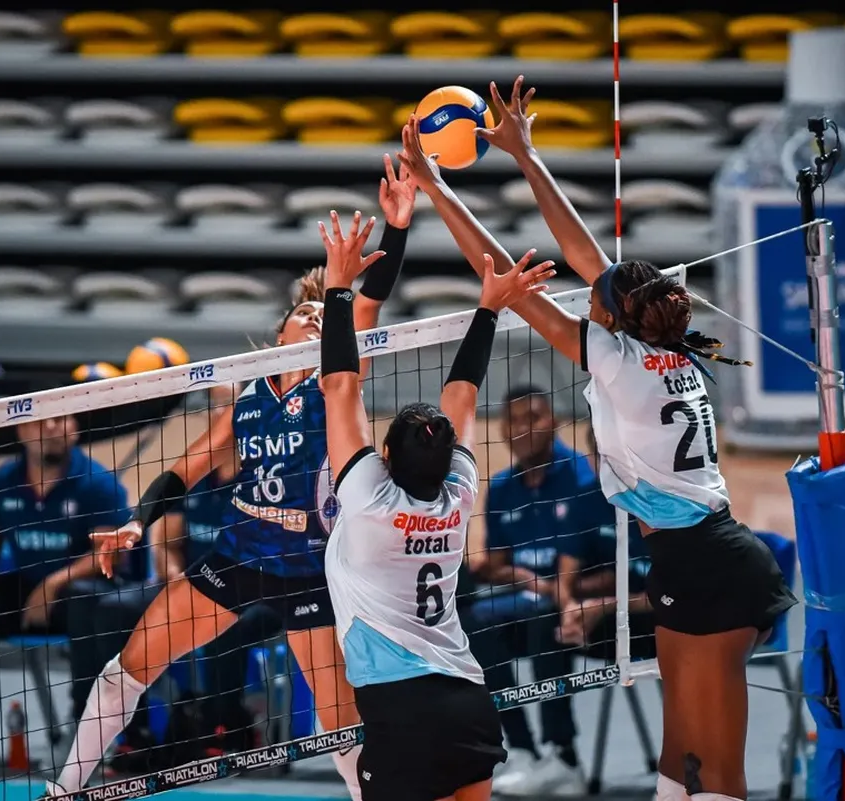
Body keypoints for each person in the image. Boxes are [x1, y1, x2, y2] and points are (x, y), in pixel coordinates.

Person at [398, 76, 797, 801]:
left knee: (716, 773)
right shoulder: (672, 351)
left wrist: (434, 186)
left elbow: (504, 274)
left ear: (614, 315)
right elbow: (586, 255)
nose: (586, 289)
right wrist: (523, 153)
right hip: (694, 556)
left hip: (708, 562)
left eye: (595, 293)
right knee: (678, 766)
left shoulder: (618, 361)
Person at [41, 156, 417, 800]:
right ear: (277, 334)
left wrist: (397, 232)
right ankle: (65, 791)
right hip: (241, 552)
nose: (312, 321)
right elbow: (185, 470)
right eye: (302, 315)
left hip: (312, 563)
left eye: (320, 318)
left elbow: (363, 308)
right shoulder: (244, 398)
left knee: (339, 723)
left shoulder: (335, 384)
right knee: (127, 667)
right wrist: (138, 521)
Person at [316, 209, 553, 801]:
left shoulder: (373, 497)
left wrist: (336, 286)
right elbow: (463, 394)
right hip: (467, 701)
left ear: (386, 457)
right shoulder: (458, 490)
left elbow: (342, 385)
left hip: (401, 710)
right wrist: (490, 307)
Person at [66, 384, 282, 776]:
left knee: (232, 625)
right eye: (217, 406)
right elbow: (166, 542)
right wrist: (170, 572)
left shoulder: (267, 474)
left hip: (260, 589)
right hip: (195, 582)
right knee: (109, 609)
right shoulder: (197, 475)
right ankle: (135, 733)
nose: (225, 413)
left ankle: (225, 725)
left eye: (232, 405)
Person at [0, 414, 132, 768]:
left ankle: (84, 732)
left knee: (86, 600)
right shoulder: (2, 478)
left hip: (78, 594)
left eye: (60, 421)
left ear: (75, 429)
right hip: (26, 592)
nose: (49, 429)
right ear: (22, 430)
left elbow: (111, 552)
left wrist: (53, 584)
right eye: (39, 422)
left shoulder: (97, 483)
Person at [468, 384, 592, 796]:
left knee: (544, 621)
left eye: (533, 417)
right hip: (525, 601)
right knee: (472, 626)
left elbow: (594, 563)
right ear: (502, 429)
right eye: (514, 420)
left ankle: (564, 755)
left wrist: (539, 584)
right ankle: (520, 750)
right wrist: (521, 578)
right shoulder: (502, 487)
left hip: (580, 602)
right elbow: (496, 563)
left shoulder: (582, 478)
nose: (523, 428)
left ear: (554, 421)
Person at [556, 427, 656, 663]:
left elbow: (675, 596)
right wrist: (569, 609)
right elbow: (564, 580)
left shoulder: (665, 503)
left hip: (660, 615)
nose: (614, 467)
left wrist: (606, 605)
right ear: (592, 460)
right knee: (544, 627)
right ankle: (553, 699)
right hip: (603, 617)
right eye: (604, 458)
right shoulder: (584, 502)